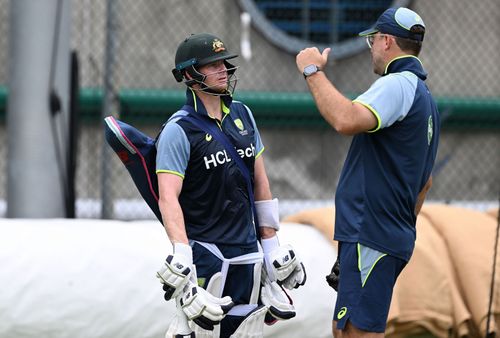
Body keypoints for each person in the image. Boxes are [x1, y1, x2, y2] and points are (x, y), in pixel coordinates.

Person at [296, 7, 440, 338]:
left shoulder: (398, 84)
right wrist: (397, 230)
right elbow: (425, 183)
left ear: (387, 41)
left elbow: (346, 119)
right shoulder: (424, 96)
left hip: (371, 232)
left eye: (372, 41)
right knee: (343, 329)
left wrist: (312, 70)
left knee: (358, 333)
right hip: (381, 234)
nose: (371, 49)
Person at [155, 33, 306, 338]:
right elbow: (168, 197)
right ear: (189, 74)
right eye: (212, 65)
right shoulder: (178, 130)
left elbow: (260, 183)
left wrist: (271, 247)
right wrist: (182, 253)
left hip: (249, 254)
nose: (223, 68)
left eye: (223, 62)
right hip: (208, 254)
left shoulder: (243, 115)